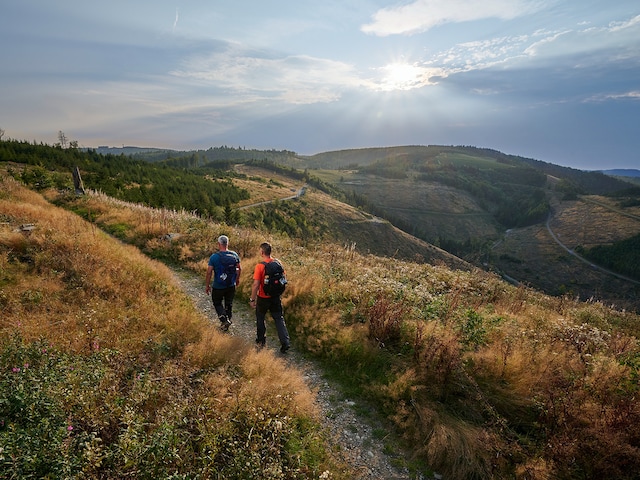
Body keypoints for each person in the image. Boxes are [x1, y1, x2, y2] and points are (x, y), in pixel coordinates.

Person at [250, 242, 290, 353]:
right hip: (276, 297)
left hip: (263, 297)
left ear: (262, 252)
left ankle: (261, 342)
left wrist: (252, 299)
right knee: (278, 318)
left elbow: (256, 284)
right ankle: (285, 342)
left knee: (260, 318)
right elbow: (283, 278)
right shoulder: (278, 263)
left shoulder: (260, 266)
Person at [205, 235, 241, 331]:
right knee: (229, 303)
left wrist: (207, 285)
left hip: (218, 286)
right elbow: (239, 269)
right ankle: (227, 322)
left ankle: (224, 320)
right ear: (227, 243)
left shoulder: (214, 257)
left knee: (217, 303)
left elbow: (209, 272)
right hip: (231, 285)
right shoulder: (234, 255)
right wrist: (237, 280)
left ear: (218, 244)